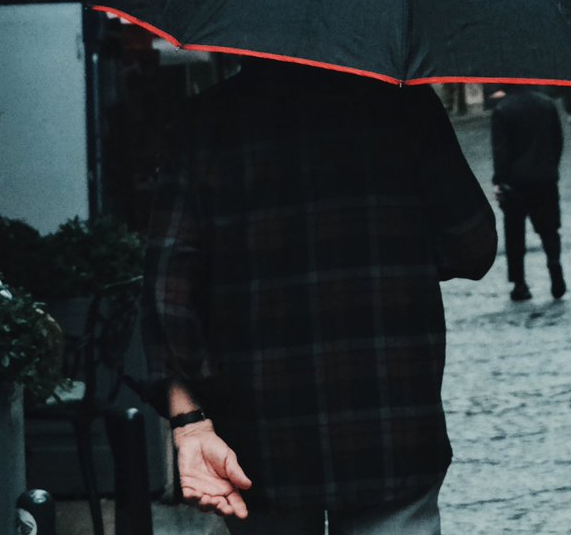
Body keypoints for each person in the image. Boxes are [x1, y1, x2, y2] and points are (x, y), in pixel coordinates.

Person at [143, 60, 497, 533]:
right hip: (392, 417)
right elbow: (472, 247)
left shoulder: (202, 123)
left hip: (257, 434)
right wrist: (392, 252)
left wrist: (191, 424)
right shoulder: (404, 105)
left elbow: (167, 291)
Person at [491, 86, 566, 303]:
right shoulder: (546, 103)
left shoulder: (503, 110)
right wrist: (551, 167)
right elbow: (558, 141)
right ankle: (554, 264)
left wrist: (499, 181)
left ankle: (520, 283)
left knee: (514, 233)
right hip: (545, 177)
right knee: (550, 228)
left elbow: (501, 151)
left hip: (515, 182)